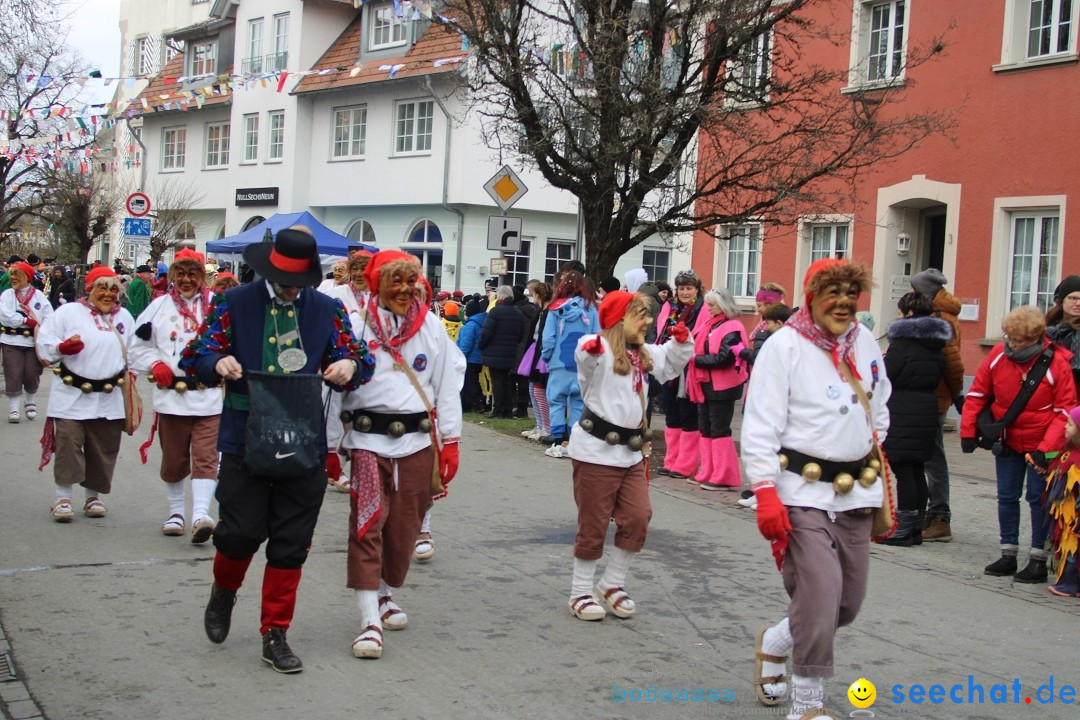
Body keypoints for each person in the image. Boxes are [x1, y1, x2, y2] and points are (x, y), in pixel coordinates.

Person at [179, 228, 375, 674]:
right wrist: (217, 363)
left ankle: (275, 633)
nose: (292, 289)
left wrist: (350, 365)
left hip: (303, 439)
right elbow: (195, 355)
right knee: (240, 533)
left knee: (291, 545)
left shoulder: (327, 308)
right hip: (246, 437)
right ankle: (224, 592)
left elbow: (360, 357)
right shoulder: (234, 303)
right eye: (285, 280)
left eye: (299, 282)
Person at [742, 259, 890, 719]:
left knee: (846, 604)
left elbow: (879, 404)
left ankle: (778, 640)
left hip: (856, 493)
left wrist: (874, 454)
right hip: (799, 494)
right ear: (811, 296)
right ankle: (807, 705)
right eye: (834, 292)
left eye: (852, 292)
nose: (844, 302)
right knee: (821, 595)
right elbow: (760, 424)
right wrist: (765, 490)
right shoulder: (784, 346)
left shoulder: (864, 341)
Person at [338, 250, 464, 660]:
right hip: (367, 443)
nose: (406, 290)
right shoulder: (354, 327)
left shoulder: (429, 326)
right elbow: (330, 389)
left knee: (405, 528)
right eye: (397, 281)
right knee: (369, 522)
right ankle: (368, 619)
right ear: (378, 284)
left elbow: (447, 383)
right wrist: (326, 446)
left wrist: (452, 440)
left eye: (412, 282)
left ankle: (386, 592)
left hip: (416, 444)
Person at [566, 291, 693, 621]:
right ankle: (580, 590)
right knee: (593, 522)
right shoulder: (602, 350)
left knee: (638, 516)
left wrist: (681, 342)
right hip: (596, 452)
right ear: (620, 320)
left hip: (631, 453)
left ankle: (612, 583)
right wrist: (591, 347)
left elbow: (671, 362)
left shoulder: (644, 353)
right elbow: (584, 356)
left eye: (648, 315)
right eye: (641, 315)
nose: (648, 321)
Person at [960, 306, 1076, 584]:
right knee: (1007, 497)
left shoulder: (1057, 362)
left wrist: (1045, 448)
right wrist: (967, 431)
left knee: (1038, 500)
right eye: (1009, 338)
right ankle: (1008, 553)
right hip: (1008, 440)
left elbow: (1065, 410)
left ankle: (1037, 558)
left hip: (1042, 443)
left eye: (1019, 340)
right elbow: (977, 394)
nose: (1012, 344)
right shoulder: (998, 355)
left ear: (1036, 337)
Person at [129, 249, 222, 541]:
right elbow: (135, 348)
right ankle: (176, 511)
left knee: (207, 456)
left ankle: (200, 515)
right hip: (172, 399)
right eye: (179, 274)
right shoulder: (157, 308)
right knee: (174, 458)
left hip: (210, 398)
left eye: (192, 274)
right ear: (172, 276)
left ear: (201, 276)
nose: (186, 279)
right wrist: (155, 363)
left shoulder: (218, 307)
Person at [36, 267, 136, 523]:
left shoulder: (123, 316)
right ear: (90, 288)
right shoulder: (69, 312)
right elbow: (46, 342)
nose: (108, 294)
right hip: (71, 395)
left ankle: (93, 497)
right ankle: (63, 498)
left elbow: (135, 352)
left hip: (109, 397)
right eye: (102, 288)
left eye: (113, 289)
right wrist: (61, 347)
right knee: (69, 444)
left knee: (103, 449)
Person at [876, 291, 950, 547]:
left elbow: (887, 375)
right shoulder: (936, 343)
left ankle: (904, 529)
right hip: (926, 407)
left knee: (904, 471)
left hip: (902, 409)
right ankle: (916, 528)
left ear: (907, 313)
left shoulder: (902, 342)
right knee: (917, 470)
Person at [910, 268, 965, 543]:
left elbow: (952, 364)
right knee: (927, 456)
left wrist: (956, 394)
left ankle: (940, 516)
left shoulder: (940, 320)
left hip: (934, 397)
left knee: (933, 458)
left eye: (915, 290)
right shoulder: (940, 316)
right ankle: (928, 513)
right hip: (932, 396)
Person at [687, 288, 748, 490]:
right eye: (708, 304)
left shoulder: (731, 327)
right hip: (705, 383)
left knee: (719, 429)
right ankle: (708, 470)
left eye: (712, 305)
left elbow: (725, 358)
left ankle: (723, 475)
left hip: (723, 386)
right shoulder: (711, 324)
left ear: (723, 305)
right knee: (705, 427)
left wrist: (695, 359)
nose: (708, 308)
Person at [541, 270, 600, 457]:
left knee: (556, 400)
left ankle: (558, 440)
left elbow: (549, 338)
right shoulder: (591, 309)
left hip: (559, 362)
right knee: (578, 402)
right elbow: (597, 335)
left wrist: (547, 356)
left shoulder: (555, 309)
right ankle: (573, 441)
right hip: (582, 364)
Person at [655, 270, 705, 478]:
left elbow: (699, 335)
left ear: (697, 289)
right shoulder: (670, 306)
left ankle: (686, 464)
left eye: (689, 288)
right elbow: (661, 332)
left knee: (688, 414)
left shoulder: (701, 308)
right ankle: (672, 460)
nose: (685, 292)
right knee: (671, 413)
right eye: (681, 288)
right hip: (670, 363)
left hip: (688, 365)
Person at [1, 261, 53, 422]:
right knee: (13, 373)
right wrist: (25, 320)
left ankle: (30, 401)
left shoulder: (38, 296)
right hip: (11, 340)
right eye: (12, 274)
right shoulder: (7, 295)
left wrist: (43, 328)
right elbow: (5, 316)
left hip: (32, 342)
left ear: (27, 277)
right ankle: (14, 407)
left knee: (32, 373)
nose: (13, 278)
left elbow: (49, 317)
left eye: (17, 274)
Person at [1041, 405, 1080, 597]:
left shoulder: (1077, 460)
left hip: (1074, 515)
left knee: (1073, 551)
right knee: (1068, 548)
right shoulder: (1066, 453)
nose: (1065, 427)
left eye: (1071, 425)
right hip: (1066, 514)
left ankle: (1069, 585)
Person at [479, 285, 527, 419]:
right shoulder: (518, 313)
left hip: (495, 351)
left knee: (497, 380)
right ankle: (507, 409)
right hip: (510, 351)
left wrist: (482, 346)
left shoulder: (495, 312)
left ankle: (498, 409)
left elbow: (486, 333)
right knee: (506, 380)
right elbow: (521, 335)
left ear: (500, 297)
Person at [522, 280, 553, 441]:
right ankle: (540, 425)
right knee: (533, 389)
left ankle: (546, 427)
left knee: (539, 390)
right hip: (535, 349)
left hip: (541, 351)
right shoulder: (541, 312)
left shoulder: (548, 313)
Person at [1046, 274, 1080, 388]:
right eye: (1073, 298)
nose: (1078, 303)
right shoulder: (1048, 330)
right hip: (1053, 387)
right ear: (1061, 301)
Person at [513, 284, 540, 418]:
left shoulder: (519, 310)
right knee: (525, 379)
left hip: (522, 346)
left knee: (521, 378)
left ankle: (521, 407)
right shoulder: (532, 309)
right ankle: (522, 406)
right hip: (530, 345)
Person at [457, 298, 487, 413]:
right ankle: (477, 403)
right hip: (478, 358)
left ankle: (476, 404)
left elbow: (466, 344)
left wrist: (460, 357)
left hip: (469, 359)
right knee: (474, 381)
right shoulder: (482, 322)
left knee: (470, 382)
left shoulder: (470, 325)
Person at [739, 303, 792, 367]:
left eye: (767, 323)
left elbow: (759, 359)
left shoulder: (780, 342)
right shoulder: (788, 338)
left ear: (778, 323)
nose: (766, 326)